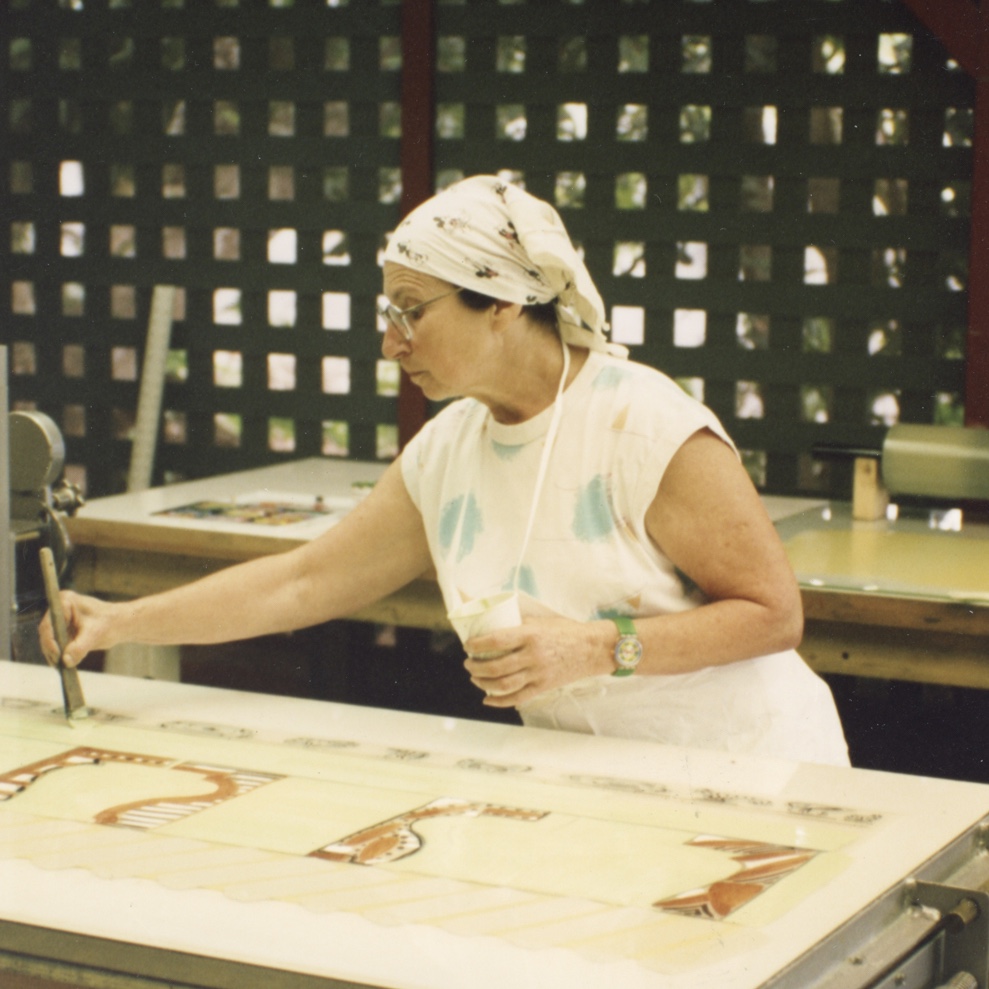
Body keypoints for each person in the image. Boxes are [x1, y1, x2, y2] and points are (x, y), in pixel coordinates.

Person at [40, 175, 849, 767]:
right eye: (386, 315)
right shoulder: (447, 448)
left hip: (758, 775)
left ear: (500, 301)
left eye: (411, 312)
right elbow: (305, 581)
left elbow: (772, 614)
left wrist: (599, 647)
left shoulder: (643, 423)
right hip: (601, 779)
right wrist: (120, 621)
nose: (391, 344)